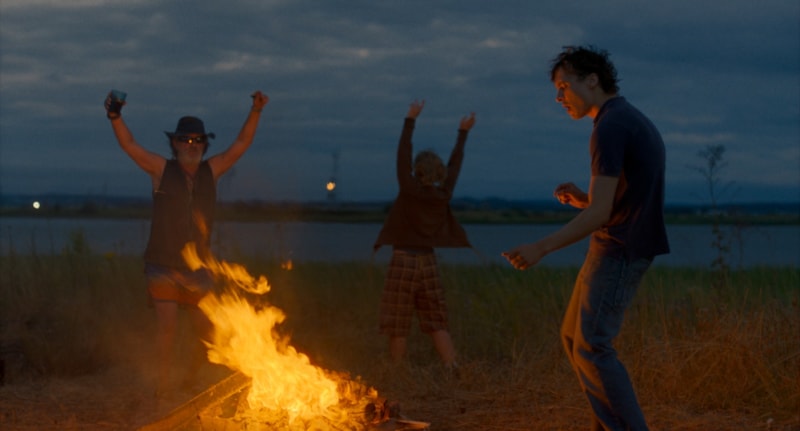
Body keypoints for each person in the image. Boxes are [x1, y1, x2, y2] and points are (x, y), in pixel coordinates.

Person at [502, 46, 669, 430]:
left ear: (592, 80)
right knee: (574, 338)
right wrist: (584, 199)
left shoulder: (610, 127)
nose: (558, 97)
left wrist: (540, 247)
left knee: (592, 346)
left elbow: (600, 214)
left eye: (564, 86)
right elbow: (613, 201)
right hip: (619, 242)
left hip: (620, 248)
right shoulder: (622, 118)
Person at [105, 90, 269, 399]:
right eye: (185, 140)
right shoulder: (161, 169)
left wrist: (256, 110)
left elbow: (242, 144)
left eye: (197, 140)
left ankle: (194, 380)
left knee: (205, 330)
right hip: (162, 264)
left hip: (199, 267)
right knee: (166, 329)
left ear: (205, 145)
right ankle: (162, 387)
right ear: (175, 143)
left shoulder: (212, 170)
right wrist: (115, 116)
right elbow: (130, 145)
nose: (191, 145)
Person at [373, 99, 476, 372]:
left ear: (416, 171)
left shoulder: (409, 190)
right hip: (428, 262)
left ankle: (397, 371)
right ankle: (452, 366)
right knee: (436, 318)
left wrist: (410, 119)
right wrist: (463, 132)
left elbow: (402, 155)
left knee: (398, 320)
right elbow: (455, 166)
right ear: (440, 173)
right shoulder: (443, 195)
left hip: (403, 261)